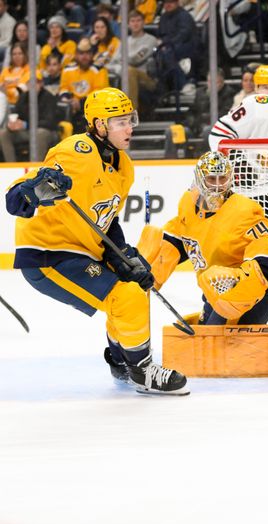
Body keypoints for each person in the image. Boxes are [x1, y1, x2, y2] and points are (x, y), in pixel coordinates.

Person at [3, 87, 189, 395]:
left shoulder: (124, 166)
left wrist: (123, 257)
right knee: (125, 298)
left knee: (136, 287)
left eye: (131, 119)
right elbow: (17, 198)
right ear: (100, 125)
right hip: (49, 252)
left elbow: (108, 220)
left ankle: (122, 361)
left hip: (83, 249)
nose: (129, 127)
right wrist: (34, 192)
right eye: (120, 122)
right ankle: (142, 371)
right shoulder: (78, 150)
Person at [138, 151, 268, 327]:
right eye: (211, 179)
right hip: (215, 292)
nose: (217, 186)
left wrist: (239, 286)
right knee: (205, 341)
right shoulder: (187, 203)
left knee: (221, 346)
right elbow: (180, 238)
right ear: (200, 179)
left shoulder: (244, 211)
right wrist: (151, 266)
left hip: (257, 296)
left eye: (222, 178)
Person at [0, 71, 60, 162]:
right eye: (30, 82)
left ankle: (36, 168)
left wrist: (26, 125)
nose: (33, 85)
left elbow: (49, 122)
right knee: (4, 133)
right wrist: (12, 124)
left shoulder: (49, 97)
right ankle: (12, 166)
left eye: (36, 82)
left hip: (47, 131)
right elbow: (16, 114)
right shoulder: (23, 97)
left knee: (40, 134)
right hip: (27, 131)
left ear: (41, 83)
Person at [59, 38, 110, 133]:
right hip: (72, 108)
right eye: (81, 54)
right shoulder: (67, 70)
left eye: (87, 53)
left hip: (94, 109)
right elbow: (63, 88)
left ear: (91, 55)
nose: (84, 57)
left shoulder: (99, 70)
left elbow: (99, 93)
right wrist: (67, 100)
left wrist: (81, 103)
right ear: (76, 55)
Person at [124, 9, 158, 112]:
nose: (135, 24)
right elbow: (112, 62)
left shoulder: (150, 40)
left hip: (147, 78)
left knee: (130, 71)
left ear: (143, 22)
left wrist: (122, 61)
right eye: (132, 21)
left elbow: (135, 59)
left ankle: (131, 112)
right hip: (125, 74)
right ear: (128, 24)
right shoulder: (124, 41)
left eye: (138, 20)